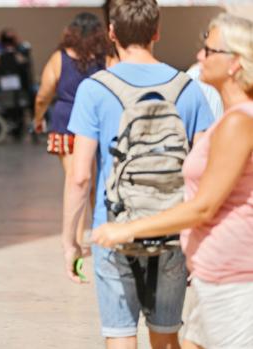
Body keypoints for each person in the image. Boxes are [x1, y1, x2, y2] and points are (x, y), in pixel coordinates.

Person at [93, 13, 253, 349]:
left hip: (233, 281)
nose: (199, 57)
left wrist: (128, 229)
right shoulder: (232, 118)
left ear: (235, 62)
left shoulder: (239, 123)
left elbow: (203, 206)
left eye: (209, 51)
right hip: (214, 274)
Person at [62, 0, 214, 348]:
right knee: (166, 334)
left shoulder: (94, 89)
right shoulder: (188, 89)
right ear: (157, 32)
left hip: (113, 228)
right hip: (172, 228)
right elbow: (201, 172)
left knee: (120, 335)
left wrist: (70, 240)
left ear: (112, 33)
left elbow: (80, 176)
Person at [33, 12, 108, 247]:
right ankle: (99, 235)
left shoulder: (59, 58)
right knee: (95, 182)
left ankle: (75, 240)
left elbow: (44, 94)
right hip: (98, 123)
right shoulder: (107, 58)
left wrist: (38, 118)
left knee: (75, 180)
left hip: (66, 123)